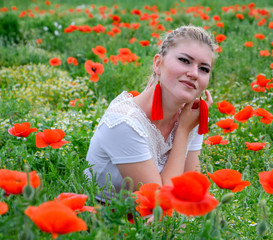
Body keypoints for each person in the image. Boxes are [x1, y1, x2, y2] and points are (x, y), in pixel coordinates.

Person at [84, 25, 217, 203]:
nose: (194, 73)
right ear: (158, 64)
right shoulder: (124, 123)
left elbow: (190, 191)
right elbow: (161, 203)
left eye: (204, 69)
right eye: (185, 60)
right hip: (108, 222)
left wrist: (186, 126)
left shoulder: (191, 115)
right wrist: (183, 131)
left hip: (155, 221)